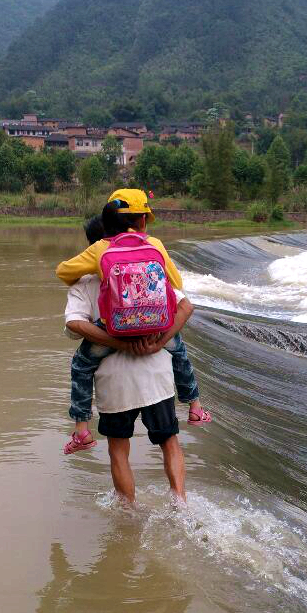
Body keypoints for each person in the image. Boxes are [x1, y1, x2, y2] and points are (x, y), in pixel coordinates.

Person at [56, 189, 211, 455]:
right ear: (141, 221)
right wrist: (161, 336)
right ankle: (195, 406)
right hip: (155, 328)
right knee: (180, 353)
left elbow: (63, 272)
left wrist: (96, 268)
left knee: (81, 366)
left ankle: (81, 429)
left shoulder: (100, 249)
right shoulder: (156, 245)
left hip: (116, 330)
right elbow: (177, 286)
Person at [64, 264, 193, 502]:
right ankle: (180, 501)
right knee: (169, 442)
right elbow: (184, 307)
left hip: (114, 385)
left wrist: (118, 343)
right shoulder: (147, 268)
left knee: (119, 451)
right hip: (156, 376)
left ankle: (127, 512)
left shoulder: (83, 281)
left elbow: (73, 327)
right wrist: (158, 341)